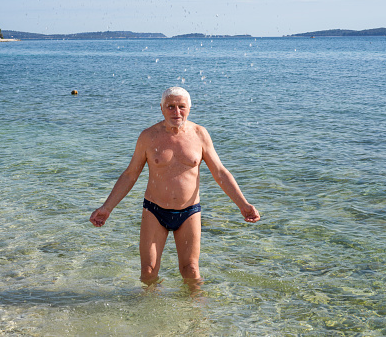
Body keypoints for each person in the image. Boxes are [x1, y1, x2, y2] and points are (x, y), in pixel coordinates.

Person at [90, 87, 260, 286]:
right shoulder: (148, 136)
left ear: (189, 108)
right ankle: (149, 311)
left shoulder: (200, 135)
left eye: (181, 107)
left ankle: (196, 313)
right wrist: (106, 208)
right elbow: (130, 175)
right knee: (148, 271)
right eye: (170, 107)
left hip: (189, 211)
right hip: (155, 210)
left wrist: (243, 205)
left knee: (191, 270)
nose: (176, 112)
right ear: (161, 108)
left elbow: (220, 172)